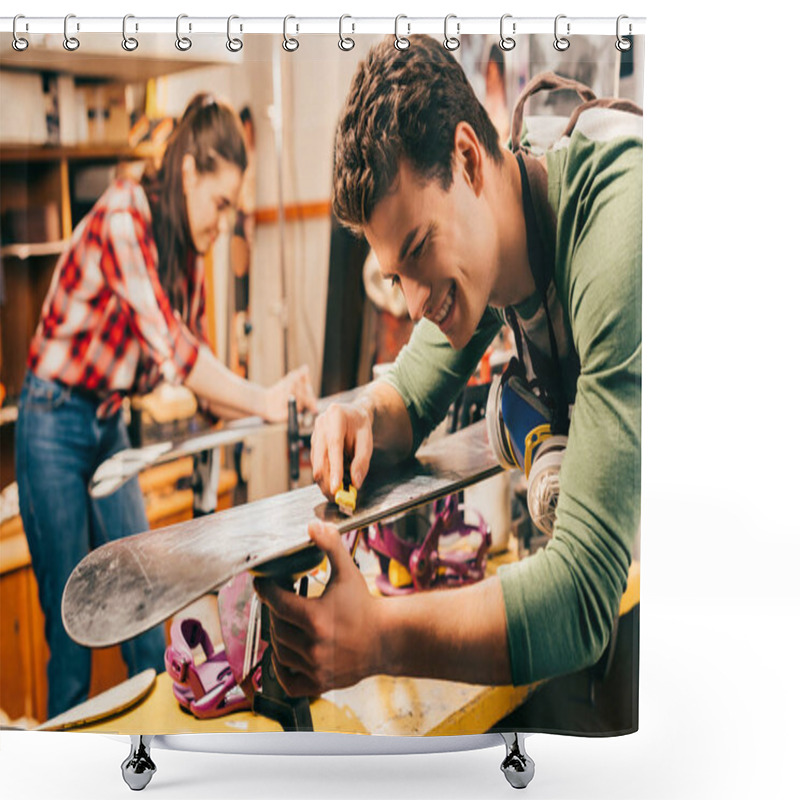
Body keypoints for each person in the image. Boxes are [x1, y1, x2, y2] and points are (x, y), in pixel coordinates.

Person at [257, 36, 641, 699]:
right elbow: (405, 397)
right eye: (394, 276)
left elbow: (582, 595)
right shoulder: (495, 242)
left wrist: (377, 637)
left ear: (468, 158)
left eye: (417, 248)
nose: (412, 304)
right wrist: (354, 417)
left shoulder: (617, 226)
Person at [15, 93, 316, 719]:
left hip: (107, 423)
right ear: (188, 174)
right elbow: (180, 356)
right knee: (70, 627)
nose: (225, 220)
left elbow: (203, 378)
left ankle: (157, 763)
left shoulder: (185, 254)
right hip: (52, 417)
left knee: (144, 603)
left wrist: (279, 408)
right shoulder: (127, 213)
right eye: (222, 203)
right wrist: (264, 398)